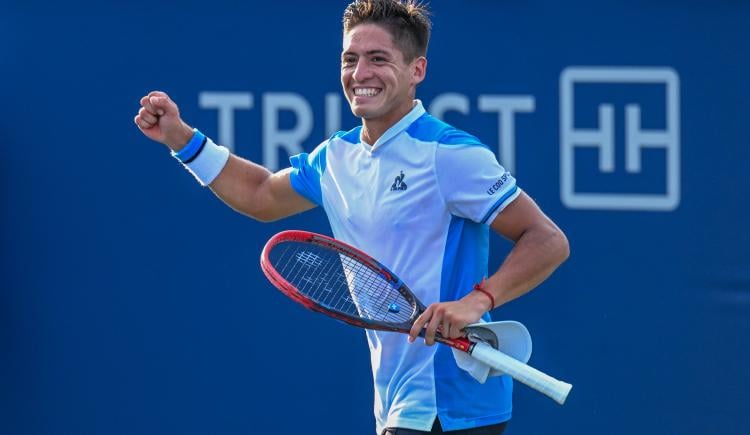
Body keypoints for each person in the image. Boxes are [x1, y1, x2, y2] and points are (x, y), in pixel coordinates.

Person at [134, 1, 569, 434]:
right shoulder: (335, 158)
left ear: (417, 70)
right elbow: (260, 194)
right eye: (350, 59)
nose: (360, 74)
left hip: (451, 401)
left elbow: (547, 239)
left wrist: (476, 301)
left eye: (378, 59)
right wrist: (182, 139)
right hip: (396, 401)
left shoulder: (450, 155)